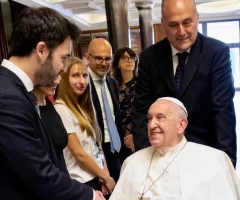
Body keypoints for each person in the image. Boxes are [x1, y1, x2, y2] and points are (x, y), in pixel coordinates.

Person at [0, 7, 106, 200]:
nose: (64, 67)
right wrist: (90, 196)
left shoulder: (19, 91)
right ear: (41, 50)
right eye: (63, 57)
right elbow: (40, 172)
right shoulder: (7, 96)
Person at [89, 97, 240, 200]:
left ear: (181, 125)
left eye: (160, 117)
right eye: (149, 119)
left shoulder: (214, 160)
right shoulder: (133, 162)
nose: (151, 125)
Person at [132, 0, 237, 166]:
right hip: (161, 155)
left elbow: (223, 112)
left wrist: (226, 164)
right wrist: (146, 158)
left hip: (205, 152)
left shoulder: (216, 53)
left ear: (197, 19)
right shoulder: (150, 58)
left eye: (187, 22)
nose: (181, 31)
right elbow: (140, 112)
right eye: (173, 25)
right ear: (163, 24)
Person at [54, 57, 116, 200]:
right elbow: (79, 154)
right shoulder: (61, 109)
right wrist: (105, 176)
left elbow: (96, 145)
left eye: (84, 75)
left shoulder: (82, 107)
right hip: (80, 183)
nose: (82, 81)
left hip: (95, 178)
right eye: (75, 76)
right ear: (65, 79)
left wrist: (104, 174)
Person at [85, 38, 123, 183]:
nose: (104, 63)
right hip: (94, 151)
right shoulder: (81, 83)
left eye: (108, 59)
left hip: (115, 147)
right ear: (88, 58)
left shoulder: (112, 83)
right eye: (99, 58)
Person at [112, 47, 138, 160]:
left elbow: (145, 112)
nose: (129, 60)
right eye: (124, 58)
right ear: (117, 63)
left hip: (135, 136)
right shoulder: (112, 84)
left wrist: (136, 136)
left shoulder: (141, 84)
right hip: (116, 137)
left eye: (132, 58)